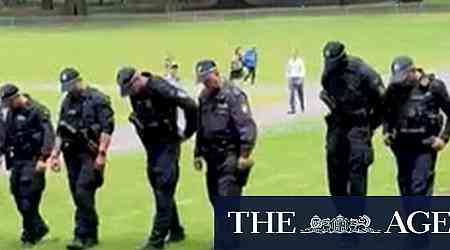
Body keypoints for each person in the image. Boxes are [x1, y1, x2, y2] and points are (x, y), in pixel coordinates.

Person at [116, 66, 198, 250]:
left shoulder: (160, 88)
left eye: (131, 89)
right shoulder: (135, 94)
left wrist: (188, 132)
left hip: (167, 143)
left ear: (137, 80)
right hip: (152, 147)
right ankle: (175, 230)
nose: (130, 94)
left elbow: (190, 105)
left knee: (163, 187)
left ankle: (156, 241)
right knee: (158, 185)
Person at [49, 68, 115, 250]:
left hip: (90, 154)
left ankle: (81, 234)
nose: (69, 90)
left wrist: (102, 154)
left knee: (82, 191)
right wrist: (55, 155)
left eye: (71, 85)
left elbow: (107, 128)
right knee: (78, 195)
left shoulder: (97, 99)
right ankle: (90, 236)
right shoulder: (67, 102)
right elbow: (61, 130)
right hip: (71, 156)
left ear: (79, 81)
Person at [320, 41, 384, 196]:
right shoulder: (328, 74)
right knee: (335, 176)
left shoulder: (362, 72)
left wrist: (370, 125)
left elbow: (384, 102)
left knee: (357, 175)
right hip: (337, 126)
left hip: (358, 127)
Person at [194, 59, 257, 208]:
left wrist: (244, 154)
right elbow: (201, 126)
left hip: (230, 155)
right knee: (214, 198)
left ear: (217, 74)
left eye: (208, 80)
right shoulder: (204, 97)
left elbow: (246, 125)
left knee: (227, 200)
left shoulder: (233, 95)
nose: (206, 84)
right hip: (211, 157)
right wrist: (198, 152)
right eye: (203, 81)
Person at [383, 56, 450, 196]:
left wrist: (443, 138)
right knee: (405, 188)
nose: (401, 82)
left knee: (420, 188)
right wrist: (386, 131)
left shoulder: (434, 87)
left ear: (413, 72)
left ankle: (419, 217)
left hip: (425, 145)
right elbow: (387, 111)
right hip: (401, 144)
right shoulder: (394, 88)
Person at [0, 84, 56, 248]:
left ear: (17, 98)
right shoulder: (10, 114)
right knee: (17, 194)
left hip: (33, 160)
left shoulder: (37, 111)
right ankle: (39, 227)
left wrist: (44, 158)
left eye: (9, 102)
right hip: (17, 161)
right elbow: (7, 137)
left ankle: (29, 234)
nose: (8, 107)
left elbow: (48, 135)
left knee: (28, 198)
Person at [286, 49, 306, 114]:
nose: (293, 55)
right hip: (292, 78)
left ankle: (302, 107)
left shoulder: (300, 61)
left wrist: (301, 79)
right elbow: (288, 70)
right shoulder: (290, 61)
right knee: (292, 95)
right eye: (293, 54)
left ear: (297, 54)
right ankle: (293, 109)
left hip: (298, 78)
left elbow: (302, 70)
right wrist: (288, 78)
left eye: (295, 54)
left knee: (300, 94)